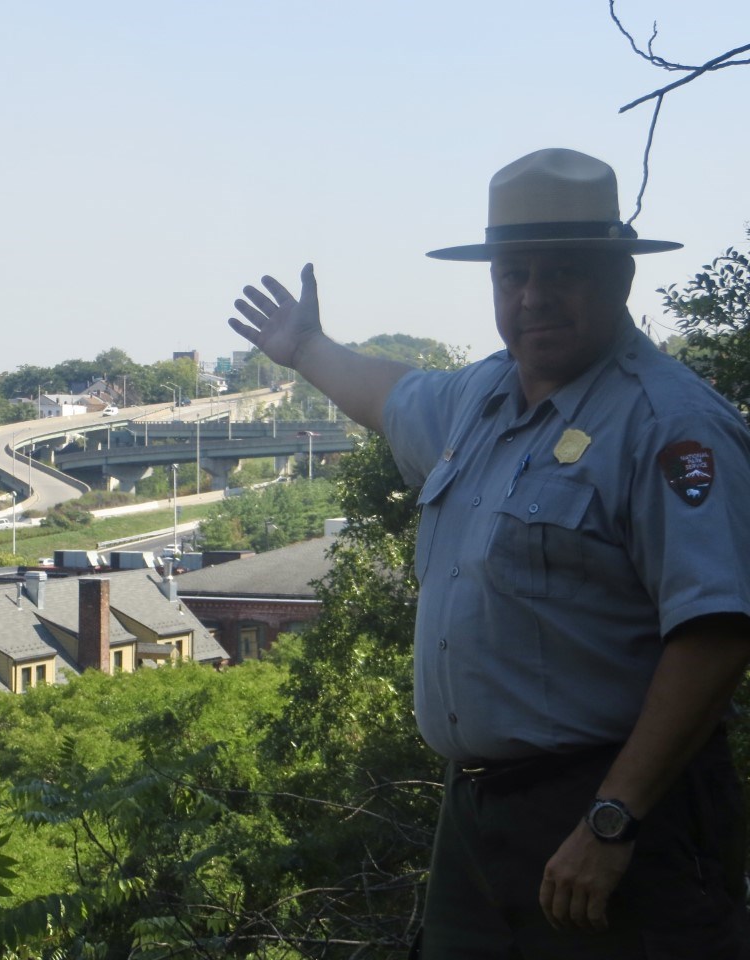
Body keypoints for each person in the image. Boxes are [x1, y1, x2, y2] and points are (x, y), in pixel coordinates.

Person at [228, 148, 750, 959]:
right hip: (473, 823)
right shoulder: (481, 398)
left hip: (617, 815)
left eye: (563, 271)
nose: (534, 296)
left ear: (619, 278)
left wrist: (613, 820)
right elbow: (388, 393)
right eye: (513, 274)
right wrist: (305, 348)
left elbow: (715, 634)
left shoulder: (669, 426)